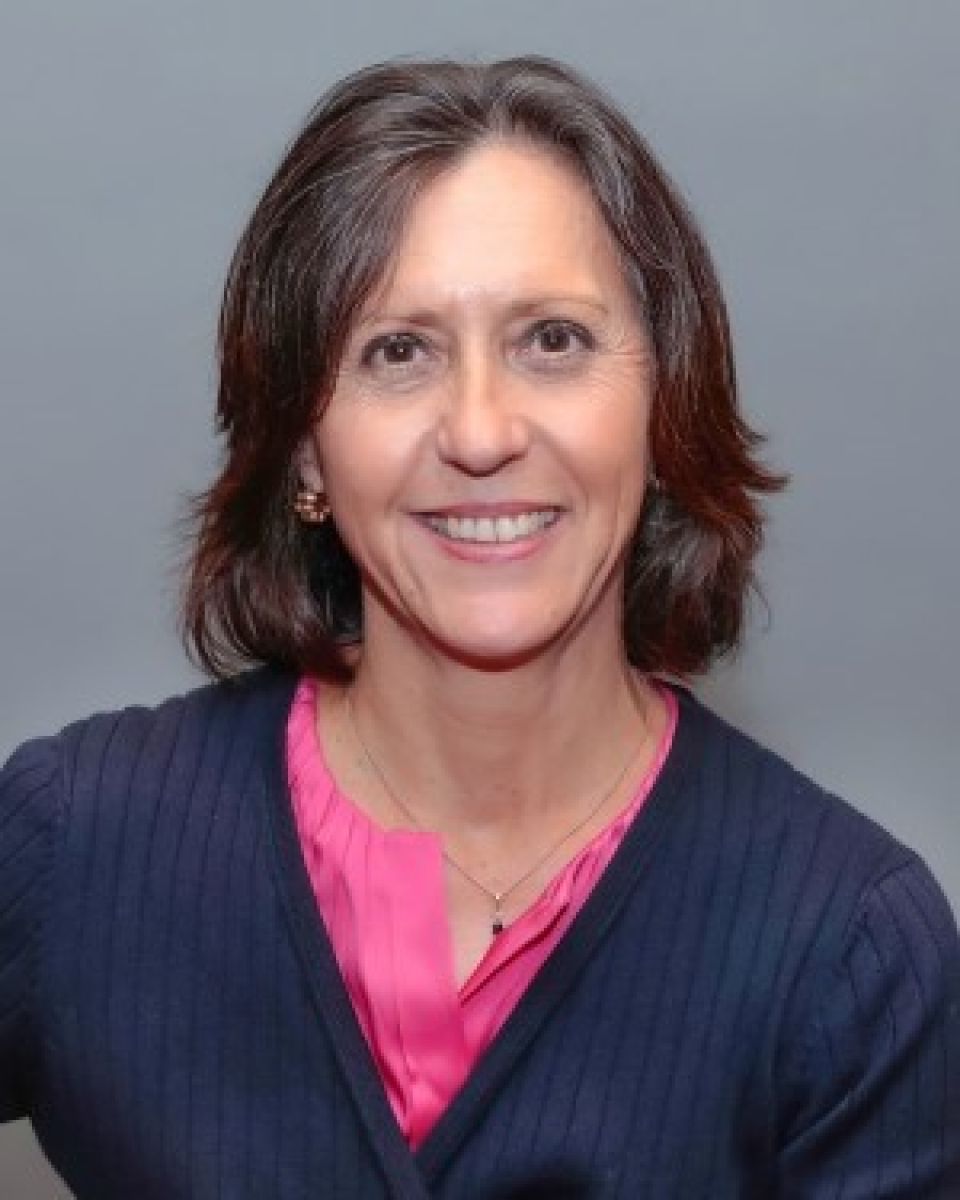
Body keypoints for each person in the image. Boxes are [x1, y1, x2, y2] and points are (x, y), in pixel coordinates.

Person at [1, 55, 957, 1200]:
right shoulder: (75, 843)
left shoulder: (850, 947)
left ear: (663, 405)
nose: (481, 430)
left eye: (552, 339)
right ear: (305, 453)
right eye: (397, 351)